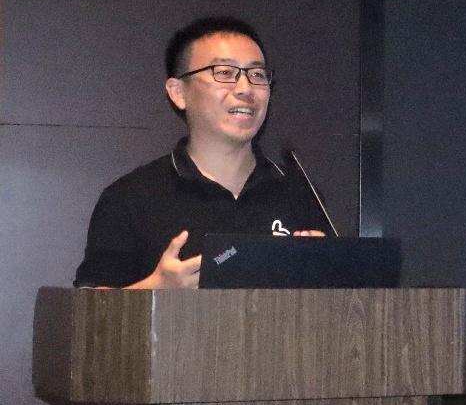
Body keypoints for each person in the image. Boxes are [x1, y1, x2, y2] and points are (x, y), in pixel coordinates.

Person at [73, 17, 333, 289]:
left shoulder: (300, 194)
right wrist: (157, 287)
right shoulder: (130, 198)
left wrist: (325, 272)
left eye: (257, 75)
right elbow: (89, 309)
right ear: (178, 92)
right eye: (224, 73)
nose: (245, 88)